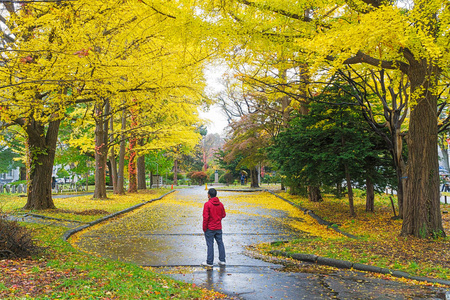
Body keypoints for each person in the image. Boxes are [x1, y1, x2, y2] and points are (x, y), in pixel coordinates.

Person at [202, 188, 226, 268]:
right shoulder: (221, 204)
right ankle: (222, 260)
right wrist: (218, 219)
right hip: (218, 227)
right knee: (220, 243)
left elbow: (206, 217)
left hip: (210, 228)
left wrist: (204, 228)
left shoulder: (207, 204)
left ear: (209, 195)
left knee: (210, 245)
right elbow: (223, 215)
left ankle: (209, 262)